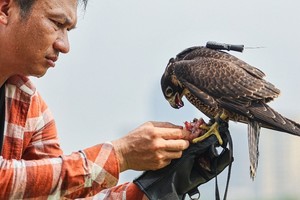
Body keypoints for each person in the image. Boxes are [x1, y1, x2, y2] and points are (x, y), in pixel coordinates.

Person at [0, 0, 231, 199]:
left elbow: (57, 194)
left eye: (68, 30)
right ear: (6, 9)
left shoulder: (29, 105)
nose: (64, 45)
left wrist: (157, 186)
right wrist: (120, 155)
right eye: (57, 23)